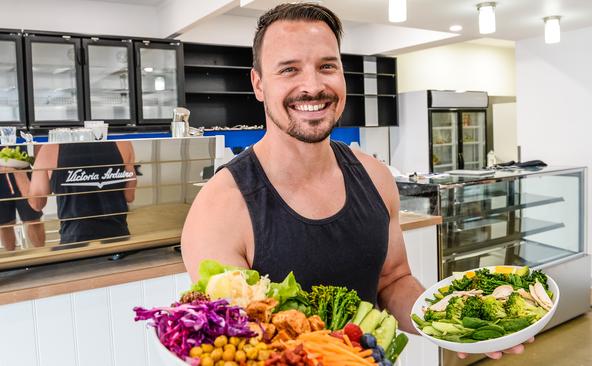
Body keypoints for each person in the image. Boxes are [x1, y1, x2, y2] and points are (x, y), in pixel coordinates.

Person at [181, 3, 528, 360]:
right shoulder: (221, 207)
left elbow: (392, 282)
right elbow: (233, 349)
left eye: (327, 66)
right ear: (259, 84)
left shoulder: (375, 177)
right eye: (289, 69)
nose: (313, 86)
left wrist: (455, 326)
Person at [21, 141, 136, 244]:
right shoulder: (123, 144)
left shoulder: (49, 149)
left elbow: (37, 204)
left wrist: (19, 173)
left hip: (76, 240)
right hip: (118, 235)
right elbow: (129, 196)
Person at [0, 146, 45, 250]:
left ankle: (42, 255)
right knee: (4, 223)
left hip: (21, 168)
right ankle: (12, 259)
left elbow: (35, 133)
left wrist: (40, 164)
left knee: (33, 219)